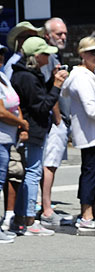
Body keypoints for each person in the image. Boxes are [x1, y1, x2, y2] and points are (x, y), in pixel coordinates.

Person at [9, 36, 67, 236]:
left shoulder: (25, 74)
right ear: (35, 56)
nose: (48, 57)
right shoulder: (27, 77)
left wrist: (52, 79)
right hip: (32, 130)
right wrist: (57, 85)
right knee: (33, 173)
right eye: (44, 53)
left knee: (28, 173)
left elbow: (38, 99)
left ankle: (21, 219)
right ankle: (30, 220)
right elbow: (42, 106)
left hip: (31, 130)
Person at [61, 37, 95, 231]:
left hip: (94, 131)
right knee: (90, 172)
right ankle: (86, 214)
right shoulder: (81, 76)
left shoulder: (89, 73)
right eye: (93, 53)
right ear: (82, 54)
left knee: (93, 172)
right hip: (90, 132)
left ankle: (93, 208)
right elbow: (91, 110)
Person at [39, 17, 70, 229]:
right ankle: (46, 209)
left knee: (51, 164)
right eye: (59, 34)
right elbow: (48, 90)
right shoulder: (46, 58)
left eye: (64, 33)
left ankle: (44, 205)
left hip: (57, 118)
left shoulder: (53, 56)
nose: (63, 37)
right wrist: (58, 118)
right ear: (47, 35)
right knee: (49, 164)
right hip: (51, 120)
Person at [0, 64, 27, 243]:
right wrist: (22, 123)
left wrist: (20, 123)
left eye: (2, 55)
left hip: (7, 139)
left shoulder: (3, 77)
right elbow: (1, 111)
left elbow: (15, 104)